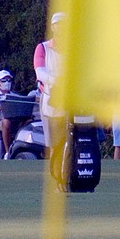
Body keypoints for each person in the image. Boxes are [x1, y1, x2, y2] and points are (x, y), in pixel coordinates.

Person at [34, 12, 68, 156]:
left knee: (71, 140)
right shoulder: (43, 48)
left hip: (69, 100)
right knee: (53, 143)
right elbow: (40, 73)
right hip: (50, 100)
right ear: (53, 27)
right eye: (57, 24)